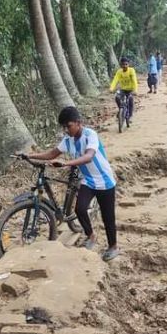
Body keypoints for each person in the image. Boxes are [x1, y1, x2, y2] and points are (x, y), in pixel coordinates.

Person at [25, 106, 120, 262]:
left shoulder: (91, 135)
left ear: (78, 122)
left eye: (68, 126)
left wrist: (66, 163)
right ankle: (90, 236)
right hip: (88, 180)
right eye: (64, 127)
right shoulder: (68, 140)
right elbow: (51, 154)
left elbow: (89, 156)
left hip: (105, 181)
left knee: (108, 217)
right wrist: (28, 155)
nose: (66, 130)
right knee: (80, 209)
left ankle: (113, 247)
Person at [109, 57, 138, 125]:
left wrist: (135, 90)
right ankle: (121, 110)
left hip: (130, 89)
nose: (124, 66)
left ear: (128, 64)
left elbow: (134, 81)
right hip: (123, 89)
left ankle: (129, 115)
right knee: (117, 97)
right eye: (123, 64)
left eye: (126, 64)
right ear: (120, 65)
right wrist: (111, 88)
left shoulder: (131, 70)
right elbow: (115, 80)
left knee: (130, 100)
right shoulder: (119, 71)